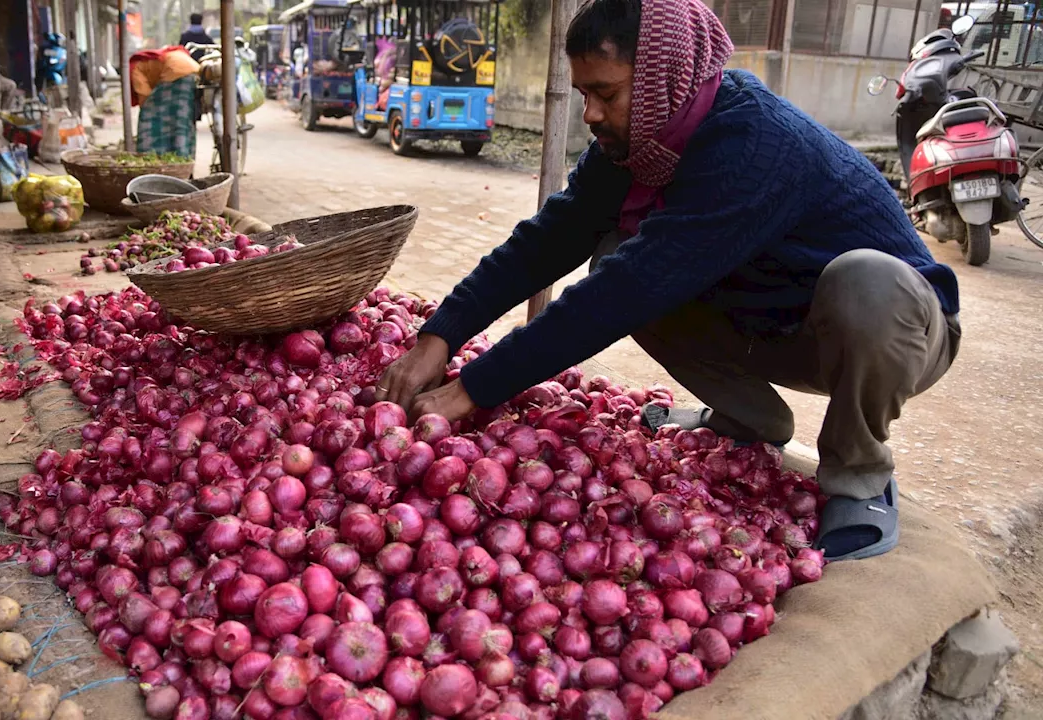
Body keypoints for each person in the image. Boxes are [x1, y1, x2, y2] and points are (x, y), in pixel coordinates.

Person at [375, 0, 961, 563]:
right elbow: (548, 239)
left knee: (865, 280)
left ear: (661, 82)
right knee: (618, 256)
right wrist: (441, 336)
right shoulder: (639, 145)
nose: (591, 115)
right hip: (777, 324)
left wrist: (470, 390)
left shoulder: (753, 144)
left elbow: (622, 295)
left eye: (606, 93)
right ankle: (751, 418)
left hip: (897, 330)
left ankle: (859, 477)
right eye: (584, 94)